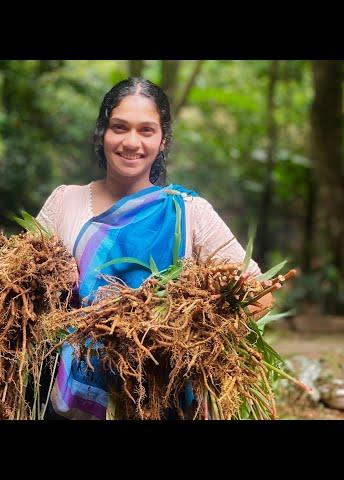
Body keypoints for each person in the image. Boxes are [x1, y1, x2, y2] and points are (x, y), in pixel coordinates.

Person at [35, 77, 271, 420]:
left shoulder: (187, 212)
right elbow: (22, 288)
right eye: (119, 127)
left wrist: (187, 334)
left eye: (146, 130)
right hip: (68, 400)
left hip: (158, 397)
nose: (132, 142)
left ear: (163, 141)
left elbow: (259, 295)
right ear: (102, 133)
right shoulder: (65, 202)